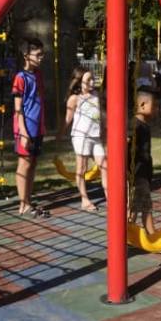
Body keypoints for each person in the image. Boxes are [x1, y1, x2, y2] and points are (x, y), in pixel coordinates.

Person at [13, 38, 48, 217]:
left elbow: (38, 101)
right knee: (24, 163)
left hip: (37, 128)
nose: (41, 57)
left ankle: (28, 199)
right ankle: (23, 204)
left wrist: (42, 126)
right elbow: (18, 109)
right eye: (38, 54)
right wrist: (24, 133)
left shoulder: (38, 74)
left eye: (42, 54)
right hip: (25, 128)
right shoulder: (20, 78)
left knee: (33, 164)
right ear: (26, 55)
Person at [64, 67, 103, 213]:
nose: (92, 82)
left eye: (93, 79)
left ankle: (110, 194)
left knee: (104, 165)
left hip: (95, 136)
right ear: (79, 82)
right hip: (81, 137)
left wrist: (105, 128)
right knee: (82, 168)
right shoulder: (75, 98)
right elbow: (68, 118)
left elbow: (100, 114)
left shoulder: (95, 95)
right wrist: (60, 134)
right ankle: (84, 199)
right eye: (88, 80)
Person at [130, 88, 158, 235]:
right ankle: (151, 233)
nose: (156, 109)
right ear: (142, 105)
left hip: (144, 171)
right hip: (136, 172)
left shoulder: (144, 125)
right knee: (145, 204)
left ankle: (130, 230)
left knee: (136, 204)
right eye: (154, 105)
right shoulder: (135, 126)